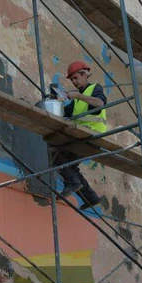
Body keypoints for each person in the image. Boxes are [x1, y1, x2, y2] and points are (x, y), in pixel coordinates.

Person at [52, 60, 107, 208]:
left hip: (92, 136)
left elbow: (100, 104)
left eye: (75, 78)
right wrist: (54, 100)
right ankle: (91, 198)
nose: (74, 82)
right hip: (81, 137)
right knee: (70, 167)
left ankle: (74, 183)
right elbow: (63, 113)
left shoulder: (95, 88)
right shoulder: (76, 100)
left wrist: (77, 96)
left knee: (55, 153)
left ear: (84, 74)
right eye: (72, 80)